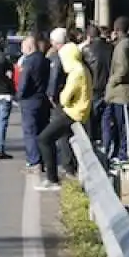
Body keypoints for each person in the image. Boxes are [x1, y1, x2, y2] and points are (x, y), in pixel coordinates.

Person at [37, 42, 92, 191]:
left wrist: (61, 95)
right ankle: (62, 172)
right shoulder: (84, 69)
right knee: (63, 142)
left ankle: (52, 178)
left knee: (44, 139)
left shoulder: (76, 72)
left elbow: (65, 98)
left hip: (72, 112)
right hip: (80, 112)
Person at [105, 16, 129, 163]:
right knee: (119, 125)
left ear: (116, 30)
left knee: (125, 126)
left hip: (122, 92)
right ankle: (120, 152)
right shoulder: (123, 44)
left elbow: (123, 69)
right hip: (118, 93)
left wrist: (112, 81)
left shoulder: (123, 46)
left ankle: (126, 153)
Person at [17, 36, 50, 172]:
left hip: (30, 101)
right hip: (43, 99)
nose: (22, 50)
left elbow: (24, 82)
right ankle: (43, 159)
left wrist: (18, 96)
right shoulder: (45, 60)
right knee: (42, 131)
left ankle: (34, 161)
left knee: (30, 132)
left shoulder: (28, 62)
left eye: (23, 47)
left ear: (29, 47)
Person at [47, 27, 76, 175]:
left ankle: (68, 165)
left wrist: (51, 95)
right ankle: (71, 163)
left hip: (61, 99)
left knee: (62, 134)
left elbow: (54, 77)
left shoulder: (59, 57)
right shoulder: (73, 52)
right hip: (72, 97)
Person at [81, 24, 113, 147]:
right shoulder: (110, 48)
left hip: (93, 88)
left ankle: (91, 146)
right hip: (108, 87)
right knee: (106, 121)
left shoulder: (86, 50)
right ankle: (107, 147)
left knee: (91, 121)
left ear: (89, 36)